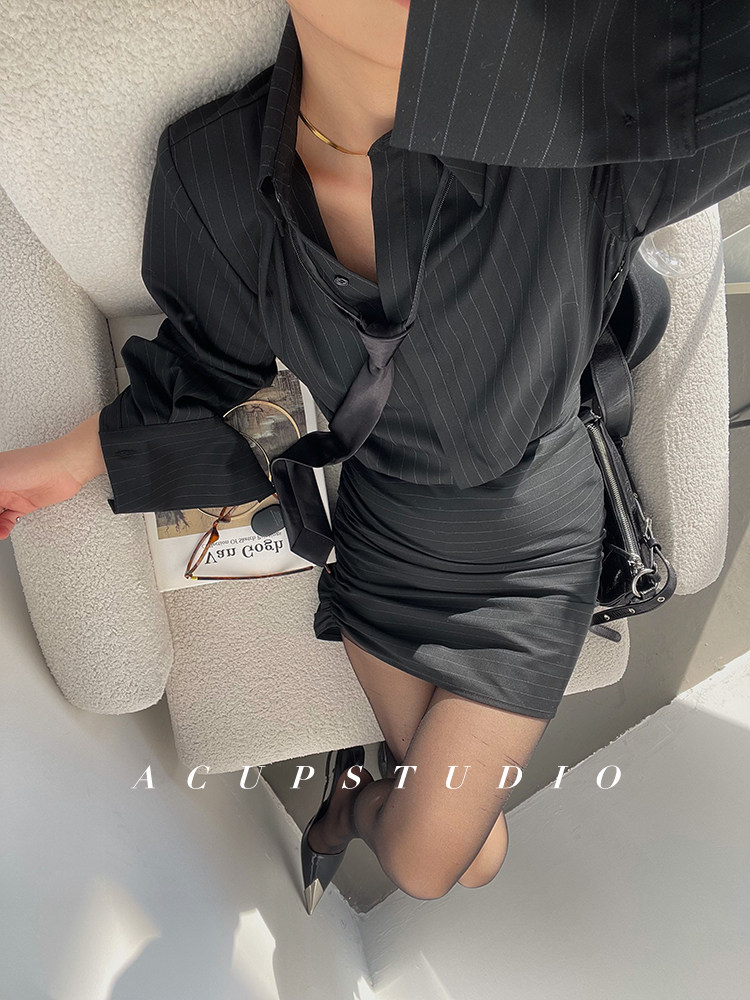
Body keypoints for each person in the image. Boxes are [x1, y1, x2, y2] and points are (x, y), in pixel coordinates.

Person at [2, 0, 750, 915]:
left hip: (534, 552)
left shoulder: (590, 109)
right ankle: (362, 796)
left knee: (437, 866)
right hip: (386, 534)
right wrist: (63, 464)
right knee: (465, 856)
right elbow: (208, 366)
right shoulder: (215, 169)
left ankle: (353, 807)